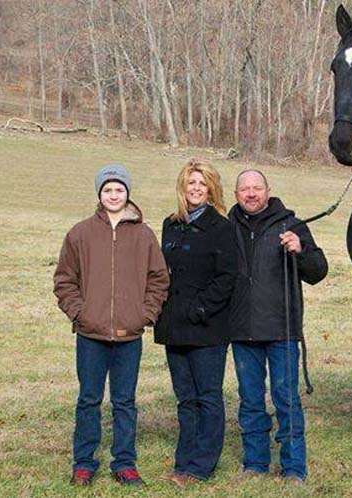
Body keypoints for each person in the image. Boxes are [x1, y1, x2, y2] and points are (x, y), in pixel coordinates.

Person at [52, 164, 169, 487]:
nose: (114, 195)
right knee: (89, 399)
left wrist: (144, 314)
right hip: (91, 334)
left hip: (129, 335)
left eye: (119, 190)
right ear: (99, 195)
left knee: (124, 401)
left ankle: (125, 462)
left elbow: (159, 279)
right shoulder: (80, 233)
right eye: (107, 190)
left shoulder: (144, 235)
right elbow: (64, 280)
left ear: (127, 193)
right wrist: (80, 313)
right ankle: (84, 463)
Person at [228, 169, 328, 483]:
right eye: (245, 189)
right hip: (242, 331)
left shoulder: (291, 224)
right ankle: (255, 463)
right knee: (251, 400)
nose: (251, 193)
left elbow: (318, 271)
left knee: (286, 399)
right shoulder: (226, 227)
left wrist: (300, 250)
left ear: (268, 191)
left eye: (257, 188)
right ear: (236, 194)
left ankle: (294, 468)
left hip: (282, 330)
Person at [153, 159, 237, 487]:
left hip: (207, 327)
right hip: (174, 325)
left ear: (211, 188)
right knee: (185, 397)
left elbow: (227, 277)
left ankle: (201, 465)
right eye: (191, 184)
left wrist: (201, 309)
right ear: (182, 188)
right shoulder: (170, 224)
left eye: (202, 184)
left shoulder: (222, 227)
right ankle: (183, 460)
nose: (196, 189)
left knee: (208, 396)